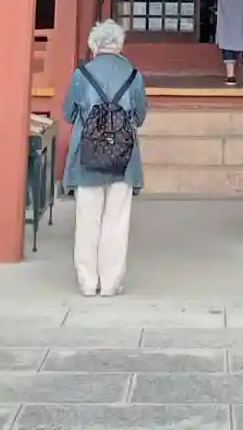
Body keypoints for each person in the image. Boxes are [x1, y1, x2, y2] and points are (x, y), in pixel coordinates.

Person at [62, 19, 147, 297]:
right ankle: (110, 283)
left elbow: (68, 113)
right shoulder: (134, 75)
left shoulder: (81, 74)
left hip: (87, 154)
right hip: (124, 157)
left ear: (94, 45)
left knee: (87, 220)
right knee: (117, 221)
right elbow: (140, 116)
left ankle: (88, 282)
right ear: (120, 44)